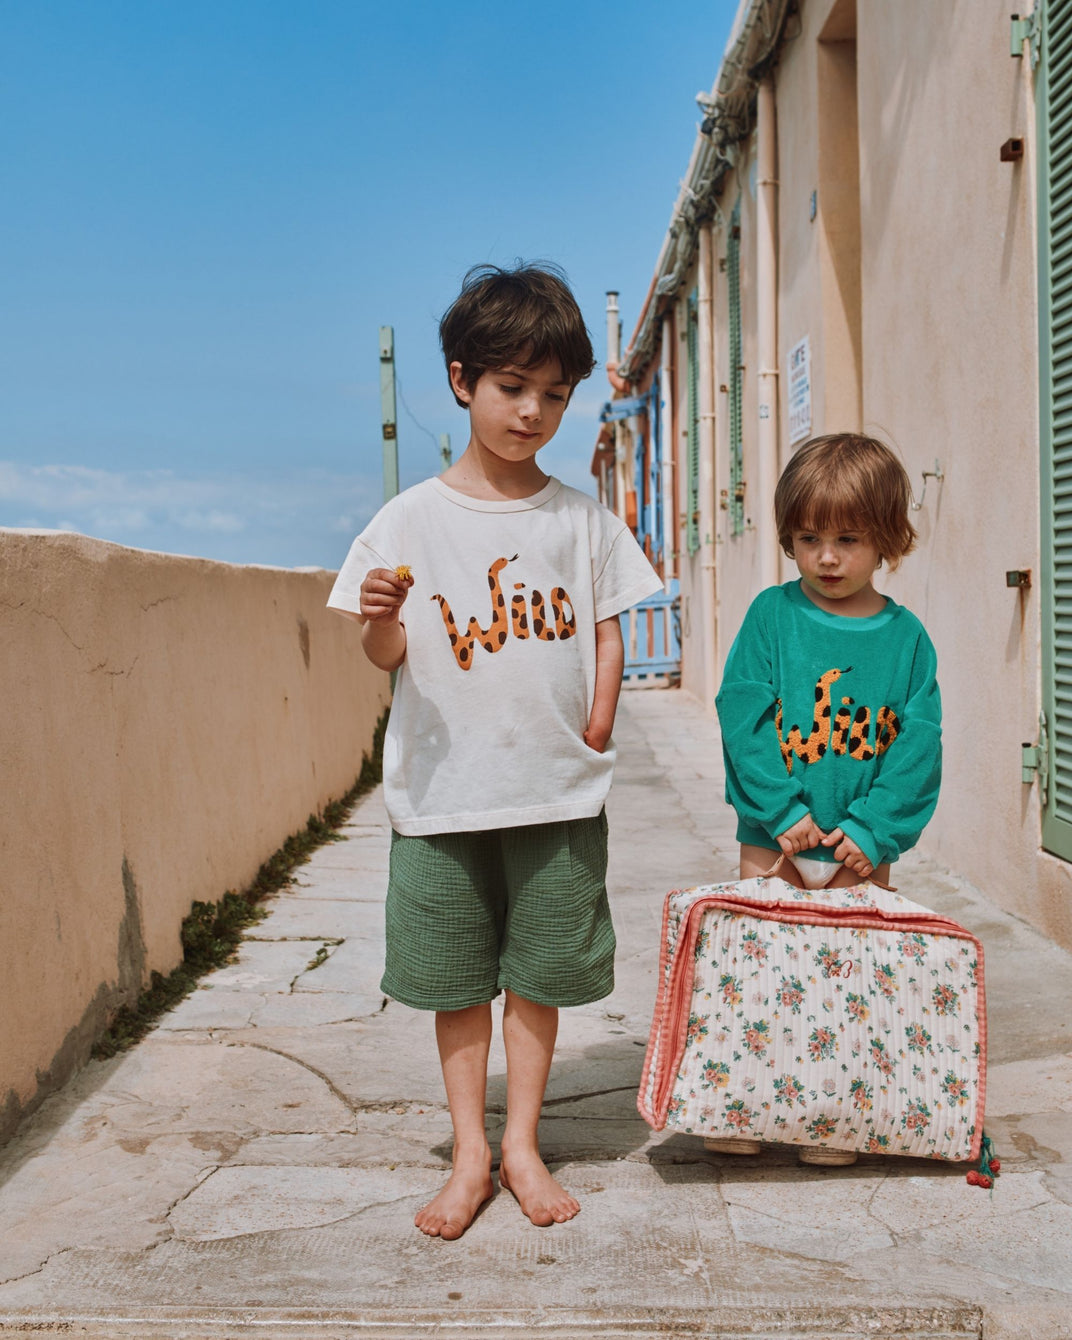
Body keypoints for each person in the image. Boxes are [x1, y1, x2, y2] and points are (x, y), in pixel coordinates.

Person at [327, 262, 662, 1240]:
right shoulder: (407, 523)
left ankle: (523, 1142)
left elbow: (606, 627)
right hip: (443, 794)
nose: (533, 412)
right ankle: (468, 1150)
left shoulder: (578, 517)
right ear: (461, 380)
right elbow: (383, 652)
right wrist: (381, 620)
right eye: (512, 388)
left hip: (556, 790)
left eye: (554, 395)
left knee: (541, 973)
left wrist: (599, 717)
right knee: (455, 977)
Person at [716, 433, 942, 894]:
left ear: (886, 536)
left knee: (851, 963)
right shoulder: (772, 615)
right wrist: (779, 809)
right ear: (789, 537)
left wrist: (875, 828)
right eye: (809, 538)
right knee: (767, 956)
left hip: (857, 848)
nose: (827, 557)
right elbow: (742, 717)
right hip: (772, 837)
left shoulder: (907, 638)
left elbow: (919, 747)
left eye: (847, 538)